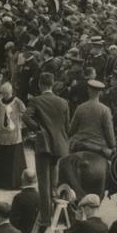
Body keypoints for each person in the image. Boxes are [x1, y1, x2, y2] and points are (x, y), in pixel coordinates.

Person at [22, 72, 71, 225]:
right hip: (59, 144)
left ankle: (45, 218)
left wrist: (38, 129)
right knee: (54, 178)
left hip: (44, 144)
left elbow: (25, 117)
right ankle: (56, 212)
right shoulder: (63, 102)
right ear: (52, 84)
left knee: (43, 181)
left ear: (40, 85)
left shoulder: (36, 100)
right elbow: (67, 125)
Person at [67, 79, 116, 158]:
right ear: (100, 93)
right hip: (98, 146)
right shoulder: (105, 110)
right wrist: (113, 146)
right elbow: (109, 133)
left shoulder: (80, 107)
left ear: (88, 91)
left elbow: (71, 130)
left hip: (80, 144)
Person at [0, 82, 26, 189]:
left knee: (14, 159)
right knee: (2, 159)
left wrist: (24, 129)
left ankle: (14, 182)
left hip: (14, 135)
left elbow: (25, 115)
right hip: (1, 136)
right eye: (3, 93)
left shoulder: (18, 102)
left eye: (7, 93)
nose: (5, 95)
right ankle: (2, 182)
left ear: (11, 92)